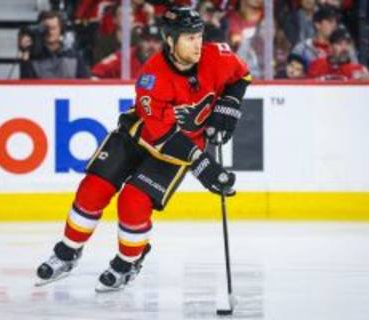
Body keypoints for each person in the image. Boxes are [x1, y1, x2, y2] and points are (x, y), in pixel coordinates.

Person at [35, 6, 251, 292]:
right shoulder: (152, 77)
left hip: (180, 149)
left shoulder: (219, 56)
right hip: (139, 136)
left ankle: (127, 263)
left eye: (199, 35)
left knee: (133, 202)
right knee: (93, 188)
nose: (198, 43)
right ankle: (67, 252)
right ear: (170, 40)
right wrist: (202, 165)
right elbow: (162, 136)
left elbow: (241, 77)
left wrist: (229, 106)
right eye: (189, 37)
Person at [18, 10, 90, 79]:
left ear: (61, 30)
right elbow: (26, 86)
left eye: (53, 28)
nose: (50, 32)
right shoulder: (32, 57)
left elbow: (85, 83)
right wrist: (25, 56)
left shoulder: (73, 56)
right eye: (46, 28)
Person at [91, 24, 162, 79]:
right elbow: (96, 73)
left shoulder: (168, 59)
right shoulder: (125, 55)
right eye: (147, 40)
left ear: (162, 44)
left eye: (156, 41)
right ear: (140, 42)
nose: (152, 45)